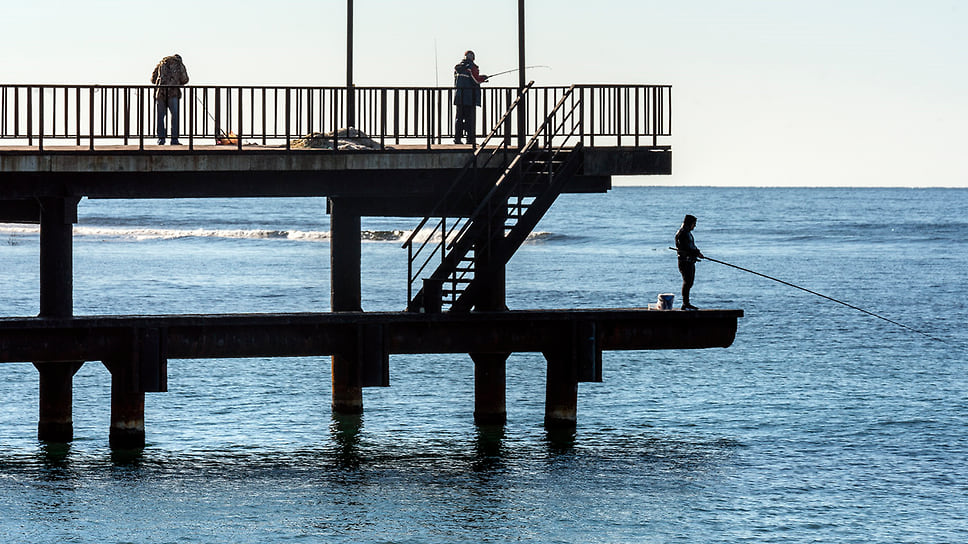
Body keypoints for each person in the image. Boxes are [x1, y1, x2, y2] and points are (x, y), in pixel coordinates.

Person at [151, 54, 189, 145]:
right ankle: (174, 139)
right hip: (173, 93)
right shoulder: (179, 64)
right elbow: (185, 79)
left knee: (160, 116)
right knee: (174, 116)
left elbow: (153, 79)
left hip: (160, 93)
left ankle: (161, 139)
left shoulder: (161, 63)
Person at [453, 50, 487, 146]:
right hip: (469, 97)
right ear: (473, 57)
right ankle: (470, 139)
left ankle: (457, 139)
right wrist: (483, 78)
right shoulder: (472, 67)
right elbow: (475, 80)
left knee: (459, 118)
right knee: (470, 119)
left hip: (459, 96)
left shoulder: (458, 68)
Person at [675, 214, 704, 310]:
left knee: (689, 282)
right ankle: (685, 304)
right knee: (687, 282)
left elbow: (691, 246)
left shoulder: (686, 233)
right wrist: (696, 253)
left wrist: (697, 252)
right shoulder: (682, 233)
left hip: (690, 261)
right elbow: (687, 247)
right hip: (685, 262)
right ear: (689, 223)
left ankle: (686, 303)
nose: (694, 226)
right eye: (694, 224)